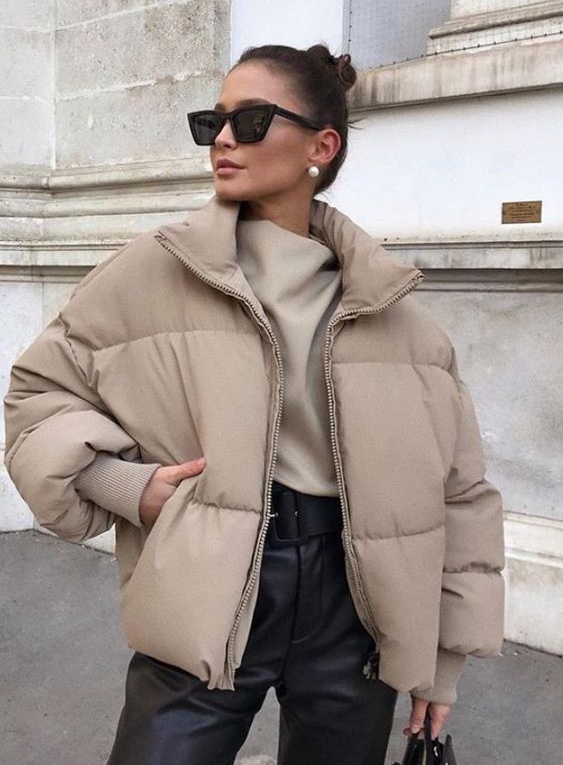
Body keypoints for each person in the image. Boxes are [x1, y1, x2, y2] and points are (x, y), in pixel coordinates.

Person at [3, 43, 505, 765]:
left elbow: (459, 493)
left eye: (251, 120)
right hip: (206, 582)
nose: (224, 140)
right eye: (214, 123)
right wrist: (127, 485)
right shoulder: (152, 270)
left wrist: (443, 659)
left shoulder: (394, 309)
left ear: (320, 147)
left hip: (355, 606)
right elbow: (38, 395)